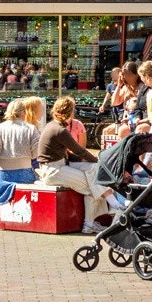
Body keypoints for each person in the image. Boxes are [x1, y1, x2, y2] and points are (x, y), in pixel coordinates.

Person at [36, 97, 107, 232]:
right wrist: (97, 160)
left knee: (94, 182)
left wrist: (90, 161)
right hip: (55, 170)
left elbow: (71, 154)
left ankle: (91, 222)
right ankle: (89, 224)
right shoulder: (60, 130)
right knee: (94, 186)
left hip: (52, 168)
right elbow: (79, 150)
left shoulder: (51, 126)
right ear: (70, 113)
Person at [0, 98, 39, 224]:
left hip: (3, 171)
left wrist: (3, 152)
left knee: (0, 196)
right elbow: (37, 153)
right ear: (23, 113)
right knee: (24, 197)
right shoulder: (31, 129)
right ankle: (24, 218)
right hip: (25, 170)